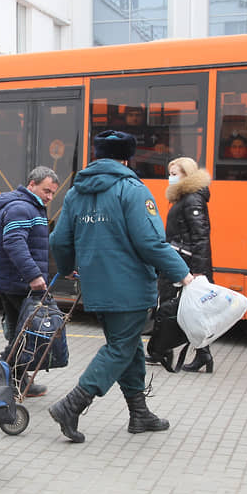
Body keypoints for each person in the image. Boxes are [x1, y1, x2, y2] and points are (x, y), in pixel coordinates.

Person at [47, 130, 193, 443]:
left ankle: (139, 413)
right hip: (129, 286)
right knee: (120, 347)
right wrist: (183, 273)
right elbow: (150, 242)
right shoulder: (132, 189)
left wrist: (69, 265)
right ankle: (72, 405)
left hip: (95, 286)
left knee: (126, 346)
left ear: (97, 156)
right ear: (127, 158)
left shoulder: (76, 191)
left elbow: (58, 239)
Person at [0, 166, 59, 397]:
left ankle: (13, 379)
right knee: (27, 334)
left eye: (53, 193)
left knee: (20, 332)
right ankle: (0, 375)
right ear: (31, 185)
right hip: (17, 283)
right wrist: (34, 276)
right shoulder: (21, 208)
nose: (49, 197)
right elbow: (15, 243)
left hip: (12, 280)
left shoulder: (27, 206)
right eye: (46, 191)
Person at [160, 157, 215, 373]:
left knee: (182, 309)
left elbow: (201, 236)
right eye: (170, 173)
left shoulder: (192, 200)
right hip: (181, 261)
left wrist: (199, 271)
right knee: (186, 310)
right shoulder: (185, 198)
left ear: (187, 175)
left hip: (186, 264)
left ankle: (195, 353)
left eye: (175, 174)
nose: (170, 178)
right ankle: (199, 354)